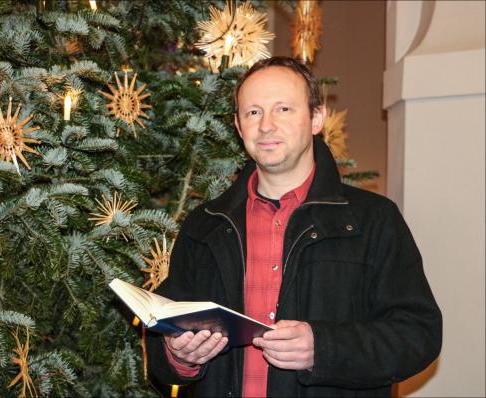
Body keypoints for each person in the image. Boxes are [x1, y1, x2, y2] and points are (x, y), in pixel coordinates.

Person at [145, 56, 442, 397]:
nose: (266, 125)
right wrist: (177, 355)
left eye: (283, 109)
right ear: (239, 127)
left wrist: (323, 348)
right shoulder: (205, 225)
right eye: (253, 112)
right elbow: (163, 337)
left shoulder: (374, 220)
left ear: (317, 118)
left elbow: (418, 335)